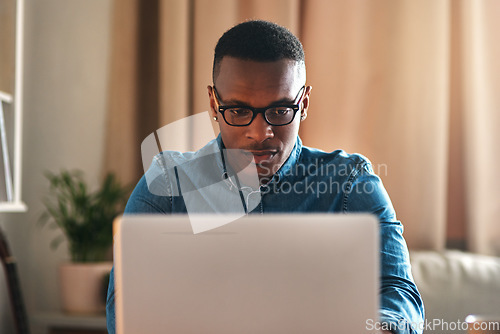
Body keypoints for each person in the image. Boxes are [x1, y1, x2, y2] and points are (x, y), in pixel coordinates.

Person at [106, 20, 424, 334]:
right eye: (239, 111)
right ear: (214, 103)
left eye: (280, 110)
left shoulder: (350, 184)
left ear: (305, 103)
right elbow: (125, 309)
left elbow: (400, 294)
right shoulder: (165, 187)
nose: (260, 133)